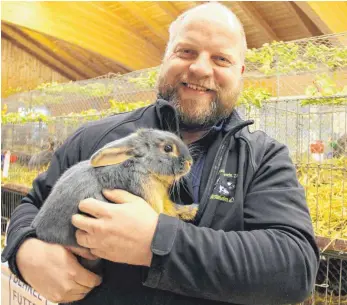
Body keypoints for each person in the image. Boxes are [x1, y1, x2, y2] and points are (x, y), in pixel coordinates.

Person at [2, 3, 319, 305]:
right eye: (186, 51)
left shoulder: (262, 158)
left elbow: (295, 267)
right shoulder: (97, 137)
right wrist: (25, 251)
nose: (199, 67)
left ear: (241, 72)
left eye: (221, 59)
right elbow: (34, 204)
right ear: (165, 57)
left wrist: (159, 242)